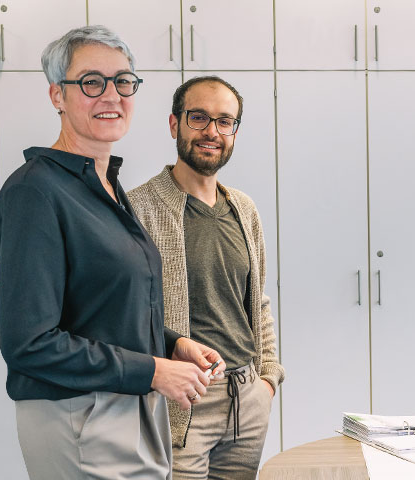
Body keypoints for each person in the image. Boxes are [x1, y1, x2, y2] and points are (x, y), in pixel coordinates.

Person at [0, 25, 223, 479]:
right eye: (92, 82)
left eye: (123, 81)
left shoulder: (104, 184)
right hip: (81, 415)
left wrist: (172, 345)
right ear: (57, 95)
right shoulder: (35, 192)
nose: (111, 95)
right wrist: (152, 371)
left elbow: (103, 309)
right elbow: (29, 343)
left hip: (130, 405)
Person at [127, 75, 283, 480]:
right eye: (198, 117)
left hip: (246, 400)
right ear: (174, 124)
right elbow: (125, 313)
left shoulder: (244, 209)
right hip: (182, 401)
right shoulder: (138, 209)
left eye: (224, 121)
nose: (212, 131)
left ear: (234, 133)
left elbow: (257, 301)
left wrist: (267, 379)